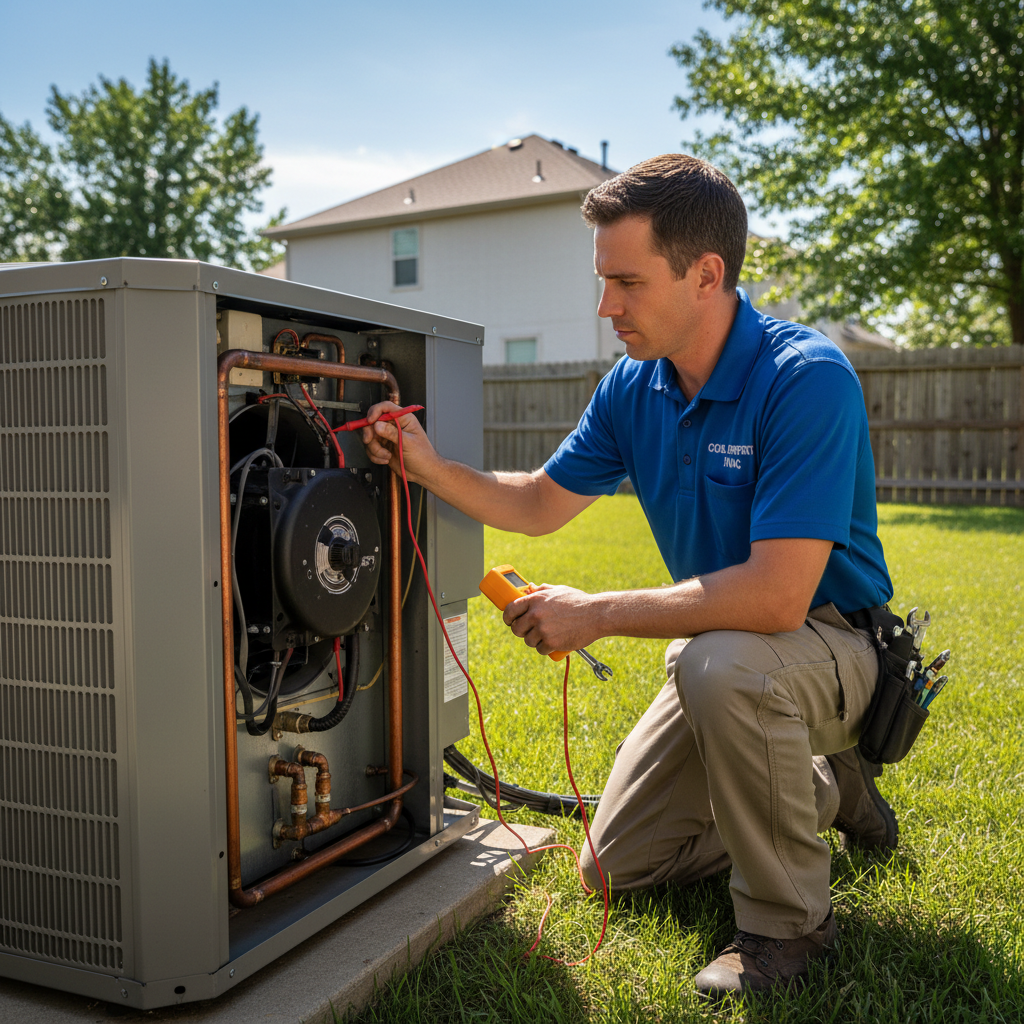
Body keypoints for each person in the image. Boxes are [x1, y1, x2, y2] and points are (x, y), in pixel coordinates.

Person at [360, 154, 898, 998]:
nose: (605, 305)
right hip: (730, 652)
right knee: (612, 870)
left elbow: (778, 595)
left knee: (714, 664)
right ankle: (824, 786)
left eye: (626, 282)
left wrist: (597, 613)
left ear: (706, 274)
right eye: (602, 280)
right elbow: (539, 501)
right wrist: (428, 467)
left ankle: (786, 931)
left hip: (832, 642)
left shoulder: (805, 379)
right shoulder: (632, 388)